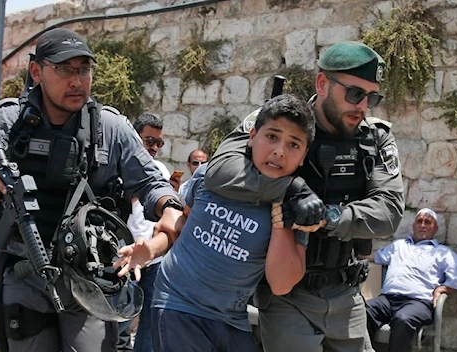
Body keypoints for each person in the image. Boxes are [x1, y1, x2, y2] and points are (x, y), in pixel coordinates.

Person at [0, 28, 184, 352]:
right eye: (64, 69)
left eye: (84, 69)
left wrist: (169, 206)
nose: (77, 80)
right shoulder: (6, 121)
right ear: (36, 71)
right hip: (24, 269)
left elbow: (151, 180)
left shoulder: (110, 128)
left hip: (90, 274)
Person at [204, 41, 405, 352]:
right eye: (354, 94)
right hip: (287, 295)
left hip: (346, 294)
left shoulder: (375, 137)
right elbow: (219, 171)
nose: (363, 105)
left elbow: (389, 211)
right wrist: (291, 190)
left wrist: (328, 216)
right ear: (323, 83)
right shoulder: (282, 121)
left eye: (372, 97)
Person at [115, 94, 326, 352]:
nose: (280, 151)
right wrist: (152, 249)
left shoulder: (296, 206)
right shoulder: (213, 178)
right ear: (251, 137)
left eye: (294, 145)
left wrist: (280, 217)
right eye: (272, 136)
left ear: (304, 156)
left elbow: (281, 283)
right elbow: (182, 225)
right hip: (177, 304)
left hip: (231, 319)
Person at [364, 208, 457, 352]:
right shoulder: (399, 246)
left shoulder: (444, 253)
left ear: (435, 228)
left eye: (428, 222)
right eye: (419, 221)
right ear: (413, 226)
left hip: (418, 303)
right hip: (387, 300)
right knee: (361, 312)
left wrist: (442, 289)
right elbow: (374, 257)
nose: (423, 225)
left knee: (402, 319)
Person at [118, 113, 171, 352]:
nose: (154, 148)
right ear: (134, 138)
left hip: (154, 258)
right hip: (125, 256)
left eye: (159, 143)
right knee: (120, 321)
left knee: (150, 324)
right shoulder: (118, 166)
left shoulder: (160, 170)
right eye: (149, 141)